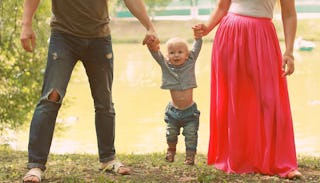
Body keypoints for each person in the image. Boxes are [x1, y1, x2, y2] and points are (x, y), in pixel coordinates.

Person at [20, 0, 159, 182]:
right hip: (64, 36)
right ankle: (36, 166)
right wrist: (26, 24)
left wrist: (149, 26)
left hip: (99, 38)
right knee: (51, 98)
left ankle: (108, 159)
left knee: (104, 100)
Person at [193, 0, 303, 179]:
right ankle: (238, 158)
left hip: (262, 36)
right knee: (234, 99)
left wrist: (289, 51)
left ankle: (282, 163)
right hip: (230, 34)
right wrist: (207, 27)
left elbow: (289, 13)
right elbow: (222, 6)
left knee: (270, 99)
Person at [147, 34, 202, 165]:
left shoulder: (190, 62)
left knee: (191, 135)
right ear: (167, 55)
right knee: (170, 134)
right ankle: (171, 151)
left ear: (187, 54)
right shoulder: (166, 66)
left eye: (180, 52)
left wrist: (198, 37)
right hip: (173, 112)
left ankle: (190, 157)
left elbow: (196, 48)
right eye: (172, 52)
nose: (176, 55)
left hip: (190, 112)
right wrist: (151, 45)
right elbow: (156, 54)